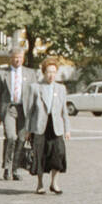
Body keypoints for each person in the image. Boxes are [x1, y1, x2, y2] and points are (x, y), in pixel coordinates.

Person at [25, 56, 70, 195]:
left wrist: (67, 129)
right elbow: (30, 111)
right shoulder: (35, 88)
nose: (51, 75)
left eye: (54, 72)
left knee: (58, 154)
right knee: (40, 155)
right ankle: (39, 184)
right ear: (44, 72)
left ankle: (54, 183)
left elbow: (64, 111)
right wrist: (27, 130)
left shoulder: (61, 88)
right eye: (49, 72)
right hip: (40, 127)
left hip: (55, 127)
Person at [0, 46, 37, 181]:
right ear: (10, 58)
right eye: (15, 57)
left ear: (23, 58)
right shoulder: (2, 73)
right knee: (11, 137)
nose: (18, 60)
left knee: (21, 139)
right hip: (9, 109)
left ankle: (16, 168)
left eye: (20, 57)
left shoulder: (30, 74)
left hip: (24, 110)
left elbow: (35, 94)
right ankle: (7, 167)